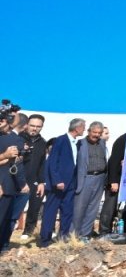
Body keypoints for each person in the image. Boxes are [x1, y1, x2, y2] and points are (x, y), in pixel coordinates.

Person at [39, 118, 84, 247]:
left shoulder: (77, 143)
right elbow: (52, 162)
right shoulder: (61, 140)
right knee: (51, 211)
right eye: (83, 127)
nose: (84, 130)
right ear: (77, 128)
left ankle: (63, 237)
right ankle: (45, 239)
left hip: (71, 184)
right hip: (58, 184)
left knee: (67, 211)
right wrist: (57, 180)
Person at [0, 109, 28, 254]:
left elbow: (14, 163)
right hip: (5, 185)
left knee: (4, 218)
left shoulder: (12, 138)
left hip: (6, 185)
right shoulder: (14, 140)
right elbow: (16, 164)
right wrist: (4, 156)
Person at [19, 114, 47, 242]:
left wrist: (41, 182)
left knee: (35, 205)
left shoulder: (43, 142)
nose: (34, 129)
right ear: (27, 125)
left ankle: (28, 230)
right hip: (16, 178)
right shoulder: (19, 138)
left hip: (34, 179)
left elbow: (42, 164)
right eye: (32, 125)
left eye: (38, 126)